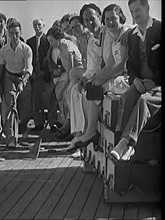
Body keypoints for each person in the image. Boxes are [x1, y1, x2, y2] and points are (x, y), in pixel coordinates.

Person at [67, 3, 130, 153]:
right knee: (78, 90)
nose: (89, 23)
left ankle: (90, 134)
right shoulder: (96, 40)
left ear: (99, 17)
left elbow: (115, 66)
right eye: (86, 20)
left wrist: (96, 80)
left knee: (94, 88)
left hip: (126, 77)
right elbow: (95, 68)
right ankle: (81, 134)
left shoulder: (115, 33)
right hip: (112, 75)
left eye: (92, 19)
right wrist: (87, 79)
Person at [110, 0, 161, 160]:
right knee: (126, 97)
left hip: (159, 86)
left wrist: (156, 81)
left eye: (138, 9)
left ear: (147, 7)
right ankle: (122, 144)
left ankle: (125, 144)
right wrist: (135, 80)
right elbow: (131, 66)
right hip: (142, 83)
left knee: (143, 102)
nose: (135, 14)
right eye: (132, 11)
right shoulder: (132, 36)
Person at [0, 20, 33, 148]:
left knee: (25, 110)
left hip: (23, 78)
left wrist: (22, 82)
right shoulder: (3, 50)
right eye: (11, 33)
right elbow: (0, 69)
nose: (14, 36)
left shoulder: (26, 49)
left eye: (17, 33)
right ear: (8, 34)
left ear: (20, 33)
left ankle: (23, 132)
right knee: (10, 108)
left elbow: (29, 69)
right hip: (9, 78)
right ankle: (11, 138)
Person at [46, 26, 83, 129]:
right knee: (62, 95)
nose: (51, 44)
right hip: (72, 76)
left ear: (58, 38)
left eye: (52, 41)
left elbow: (71, 72)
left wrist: (62, 90)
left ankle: (70, 128)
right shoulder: (60, 48)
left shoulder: (67, 47)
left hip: (79, 77)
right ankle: (67, 128)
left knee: (67, 97)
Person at [26, 18, 50, 131]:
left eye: (39, 24)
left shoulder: (48, 40)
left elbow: (50, 58)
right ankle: (38, 123)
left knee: (48, 100)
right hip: (34, 73)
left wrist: (44, 71)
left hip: (46, 74)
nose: (37, 27)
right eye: (35, 25)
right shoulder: (29, 41)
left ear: (43, 25)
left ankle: (51, 122)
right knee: (36, 100)